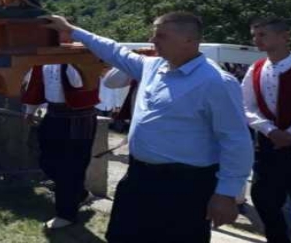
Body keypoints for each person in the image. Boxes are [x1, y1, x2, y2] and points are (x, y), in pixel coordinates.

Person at [45, 12, 253, 243]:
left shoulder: (216, 82)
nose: (153, 42)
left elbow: (236, 141)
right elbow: (114, 50)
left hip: (186, 187)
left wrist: (226, 193)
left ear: (189, 40)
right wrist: (71, 30)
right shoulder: (152, 67)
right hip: (138, 177)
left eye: (161, 36)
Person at [242, 18, 291, 243]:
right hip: (268, 147)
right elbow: (246, 106)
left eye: (262, 34)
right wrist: (270, 131)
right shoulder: (256, 68)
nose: (256, 39)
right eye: (255, 34)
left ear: (284, 37)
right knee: (265, 200)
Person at [21, 31, 98, 230]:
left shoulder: (82, 56)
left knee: (71, 165)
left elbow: (79, 83)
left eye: (59, 34)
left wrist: (68, 57)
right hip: (54, 114)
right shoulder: (43, 58)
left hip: (79, 117)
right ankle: (79, 194)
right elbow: (36, 84)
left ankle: (66, 214)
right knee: (46, 160)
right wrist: (30, 110)